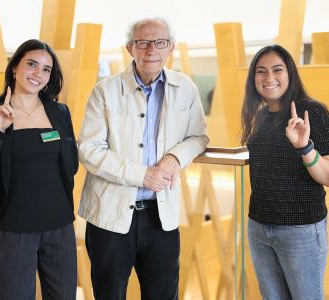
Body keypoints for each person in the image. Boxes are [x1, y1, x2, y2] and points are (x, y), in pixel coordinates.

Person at [78, 17, 209, 300]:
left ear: (171, 47)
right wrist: (143, 175)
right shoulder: (105, 91)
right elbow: (90, 150)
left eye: (160, 42)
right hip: (109, 219)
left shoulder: (185, 88)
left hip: (161, 219)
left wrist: (175, 157)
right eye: (143, 43)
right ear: (130, 49)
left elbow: (199, 137)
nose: (152, 49)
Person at [0, 39, 78, 300]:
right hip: (13, 230)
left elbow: (70, 165)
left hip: (60, 227)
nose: (38, 74)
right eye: (32, 64)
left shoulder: (60, 112)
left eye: (46, 69)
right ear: (15, 66)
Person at [240, 45, 329, 299]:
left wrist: (304, 147)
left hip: (301, 230)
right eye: (261, 72)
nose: (268, 78)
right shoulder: (261, 116)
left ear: (290, 73)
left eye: (277, 69)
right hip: (259, 227)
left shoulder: (313, 113)